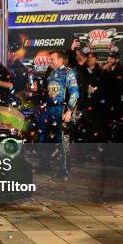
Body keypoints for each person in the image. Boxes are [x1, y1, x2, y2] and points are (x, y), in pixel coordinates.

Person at [37, 50, 79, 178]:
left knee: (62, 140)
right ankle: (44, 164)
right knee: (43, 137)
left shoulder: (69, 72)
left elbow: (75, 93)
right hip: (48, 109)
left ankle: (64, 169)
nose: (50, 61)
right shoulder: (50, 72)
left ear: (60, 60)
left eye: (52, 59)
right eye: (49, 59)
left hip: (61, 110)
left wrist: (69, 111)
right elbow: (46, 91)